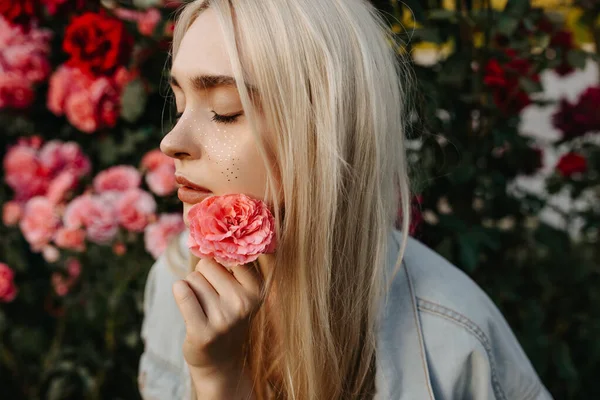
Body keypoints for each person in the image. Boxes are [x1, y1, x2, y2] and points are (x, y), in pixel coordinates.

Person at [138, 0, 553, 399]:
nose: (172, 141)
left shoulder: (455, 340)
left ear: (325, 131)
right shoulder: (177, 279)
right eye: (179, 105)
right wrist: (217, 378)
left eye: (225, 110)